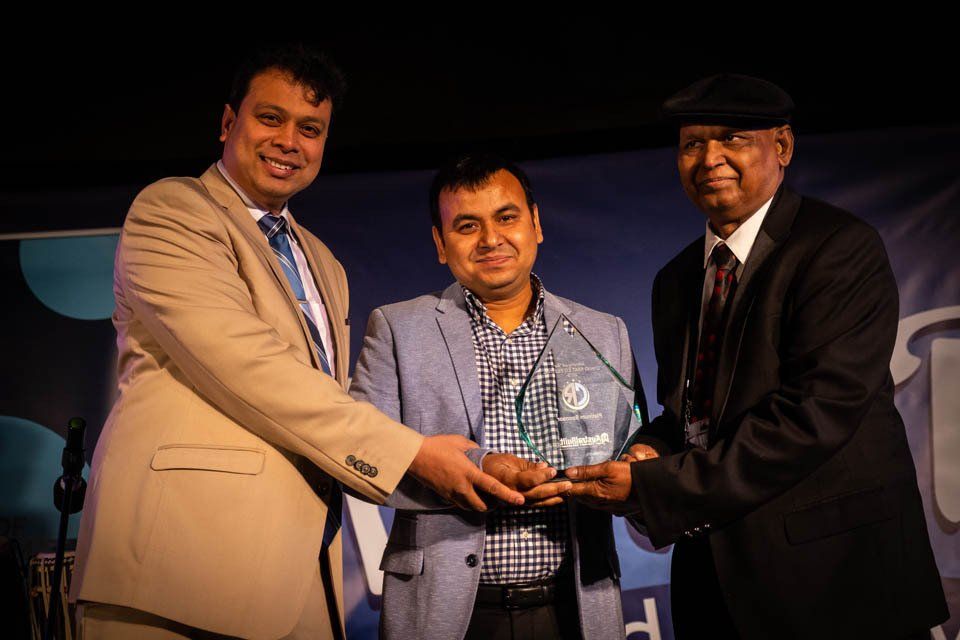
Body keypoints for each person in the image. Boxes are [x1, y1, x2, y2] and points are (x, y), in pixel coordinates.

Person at [69, 45, 526, 640]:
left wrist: (475, 463)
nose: (290, 140)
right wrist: (412, 453)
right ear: (228, 123)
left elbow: (333, 402)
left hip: (298, 579)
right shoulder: (173, 211)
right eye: (270, 118)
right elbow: (251, 369)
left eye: (310, 129)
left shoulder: (323, 262)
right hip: (177, 574)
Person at [565, 74, 948, 639]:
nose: (710, 158)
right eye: (693, 143)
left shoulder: (838, 248)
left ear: (783, 147)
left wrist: (655, 487)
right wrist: (649, 451)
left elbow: (812, 417)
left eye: (733, 139)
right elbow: (692, 418)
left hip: (837, 585)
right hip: (716, 584)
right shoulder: (674, 280)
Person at [349, 153, 641, 640]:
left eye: (507, 217)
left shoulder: (602, 331)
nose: (490, 239)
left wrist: (638, 462)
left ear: (536, 224)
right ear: (441, 244)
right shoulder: (399, 328)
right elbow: (358, 457)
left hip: (575, 607)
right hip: (448, 613)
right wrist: (469, 472)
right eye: (467, 226)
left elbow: (630, 444)